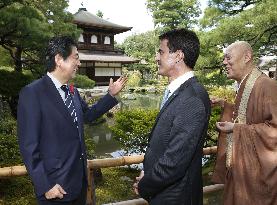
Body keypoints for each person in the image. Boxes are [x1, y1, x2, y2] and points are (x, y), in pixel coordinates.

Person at [17, 36, 127, 205]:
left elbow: (89, 116)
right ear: (59, 59)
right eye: (76, 57)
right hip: (55, 189)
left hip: (79, 184)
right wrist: (45, 185)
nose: (79, 63)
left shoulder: (72, 92)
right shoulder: (33, 93)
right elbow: (28, 146)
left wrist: (110, 95)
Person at [133, 28, 211, 205]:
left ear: (178, 56)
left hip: (177, 197)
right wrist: (148, 172)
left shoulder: (192, 98)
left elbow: (174, 162)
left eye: (161, 51)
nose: (156, 57)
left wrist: (146, 184)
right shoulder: (180, 92)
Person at [211, 41, 277, 205]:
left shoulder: (267, 85)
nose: (224, 62)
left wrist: (236, 128)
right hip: (241, 170)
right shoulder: (246, 85)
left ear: (247, 57)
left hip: (257, 177)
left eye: (228, 57)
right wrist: (225, 106)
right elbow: (248, 115)